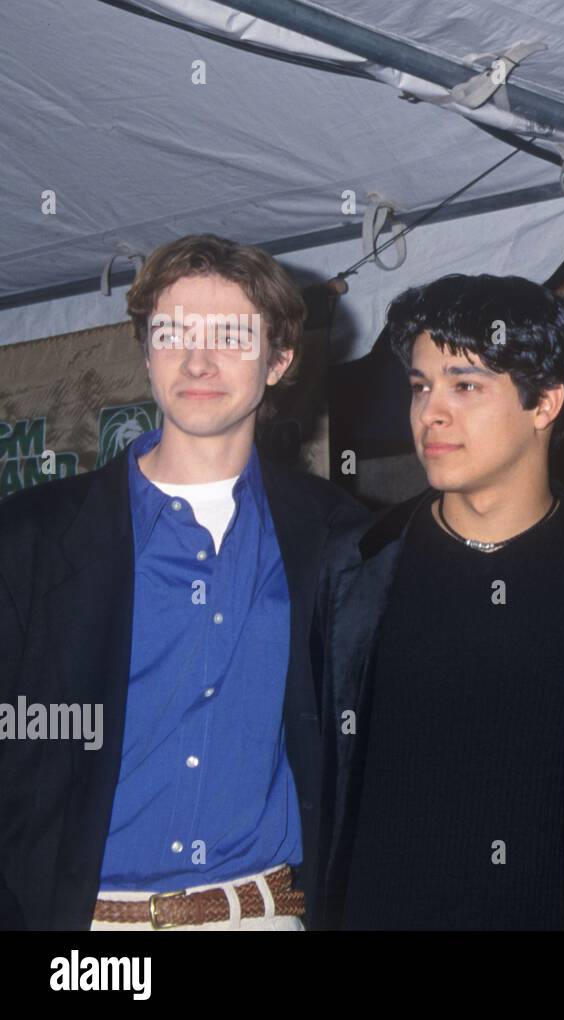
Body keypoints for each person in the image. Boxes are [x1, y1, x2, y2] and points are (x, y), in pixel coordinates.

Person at [0, 233, 366, 930]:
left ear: (280, 359)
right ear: (146, 351)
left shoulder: (338, 537)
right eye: (174, 332)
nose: (198, 360)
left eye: (230, 334)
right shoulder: (31, 540)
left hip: (260, 914)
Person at [317, 273, 564, 930]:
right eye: (420, 387)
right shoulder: (353, 565)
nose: (430, 413)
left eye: (464, 385)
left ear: (544, 402)